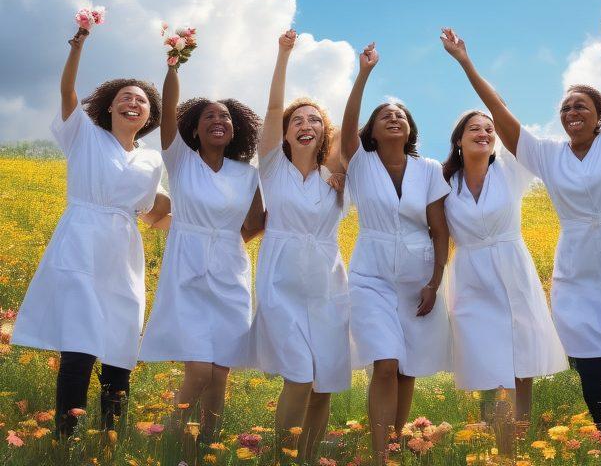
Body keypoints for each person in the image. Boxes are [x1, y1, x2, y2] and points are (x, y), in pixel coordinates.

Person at [440, 21, 601, 437]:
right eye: (566, 108)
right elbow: (500, 115)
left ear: (599, 117)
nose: (572, 113)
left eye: (582, 106)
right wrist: (466, 63)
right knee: (587, 358)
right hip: (578, 264)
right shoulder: (547, 155)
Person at [13, 23, 169, 436]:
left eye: (141, 101)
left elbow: (152, 211)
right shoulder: (85, 134)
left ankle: (110, 437)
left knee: (121, 346)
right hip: (81, 242)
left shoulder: (152, 160)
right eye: (125, 98)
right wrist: (77, 49)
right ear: (109, 107)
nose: (133, 104)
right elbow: (67, 96)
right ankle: (67, 438)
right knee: (80, 346)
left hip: (124, 254)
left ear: (150, 114)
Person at [139, 56, 264, 444]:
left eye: (225, 117)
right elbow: (167, 116)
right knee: (199, 368)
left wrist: (227, 243)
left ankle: (207, 445)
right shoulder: (180, 161)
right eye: (209, 116)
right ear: (193, 127)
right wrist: (174, 66)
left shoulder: (248, 174)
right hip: (187, 268)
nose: (218, 121)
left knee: (220, 370)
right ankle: (167, 436)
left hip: (230, 273)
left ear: (235, 129)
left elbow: (257, 222)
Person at [340, 42, 451, 464]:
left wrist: (434, 282)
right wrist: (363, 74)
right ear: (372, 130)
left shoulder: (429, 170)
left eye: (400, 115)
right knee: (385, 364)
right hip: (370, 277)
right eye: (385, 115)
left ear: (410, 129)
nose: (393, 117)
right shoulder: (360, 163)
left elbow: (439, 230)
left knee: (408, 370)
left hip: (417, 280)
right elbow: (347, 123)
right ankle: (379, 455)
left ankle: (396, 448)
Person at [439, 108, 567, 455]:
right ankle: (501, 448)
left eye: (488, 128)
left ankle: (516, 449)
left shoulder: (511, 170)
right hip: (470, 280)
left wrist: (468, 66)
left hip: (513, 272)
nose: (484, 132)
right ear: (459, 140)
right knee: (487, 365)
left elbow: (513, 129)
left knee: (520, 364)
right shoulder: (444, 181)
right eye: (474, 128)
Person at [251, 30, 352, 460]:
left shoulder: (337, 177)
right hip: (282, 279)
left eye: (314, 120)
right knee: (299, 373)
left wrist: (361, 73)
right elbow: (274, 107)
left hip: (328, 282)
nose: (305, 125)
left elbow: (352, 128)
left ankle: (308, 457)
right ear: (285, 134)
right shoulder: (273, 168)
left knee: (324, 380)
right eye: (298, 121)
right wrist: (283, 54)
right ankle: (282, 456)